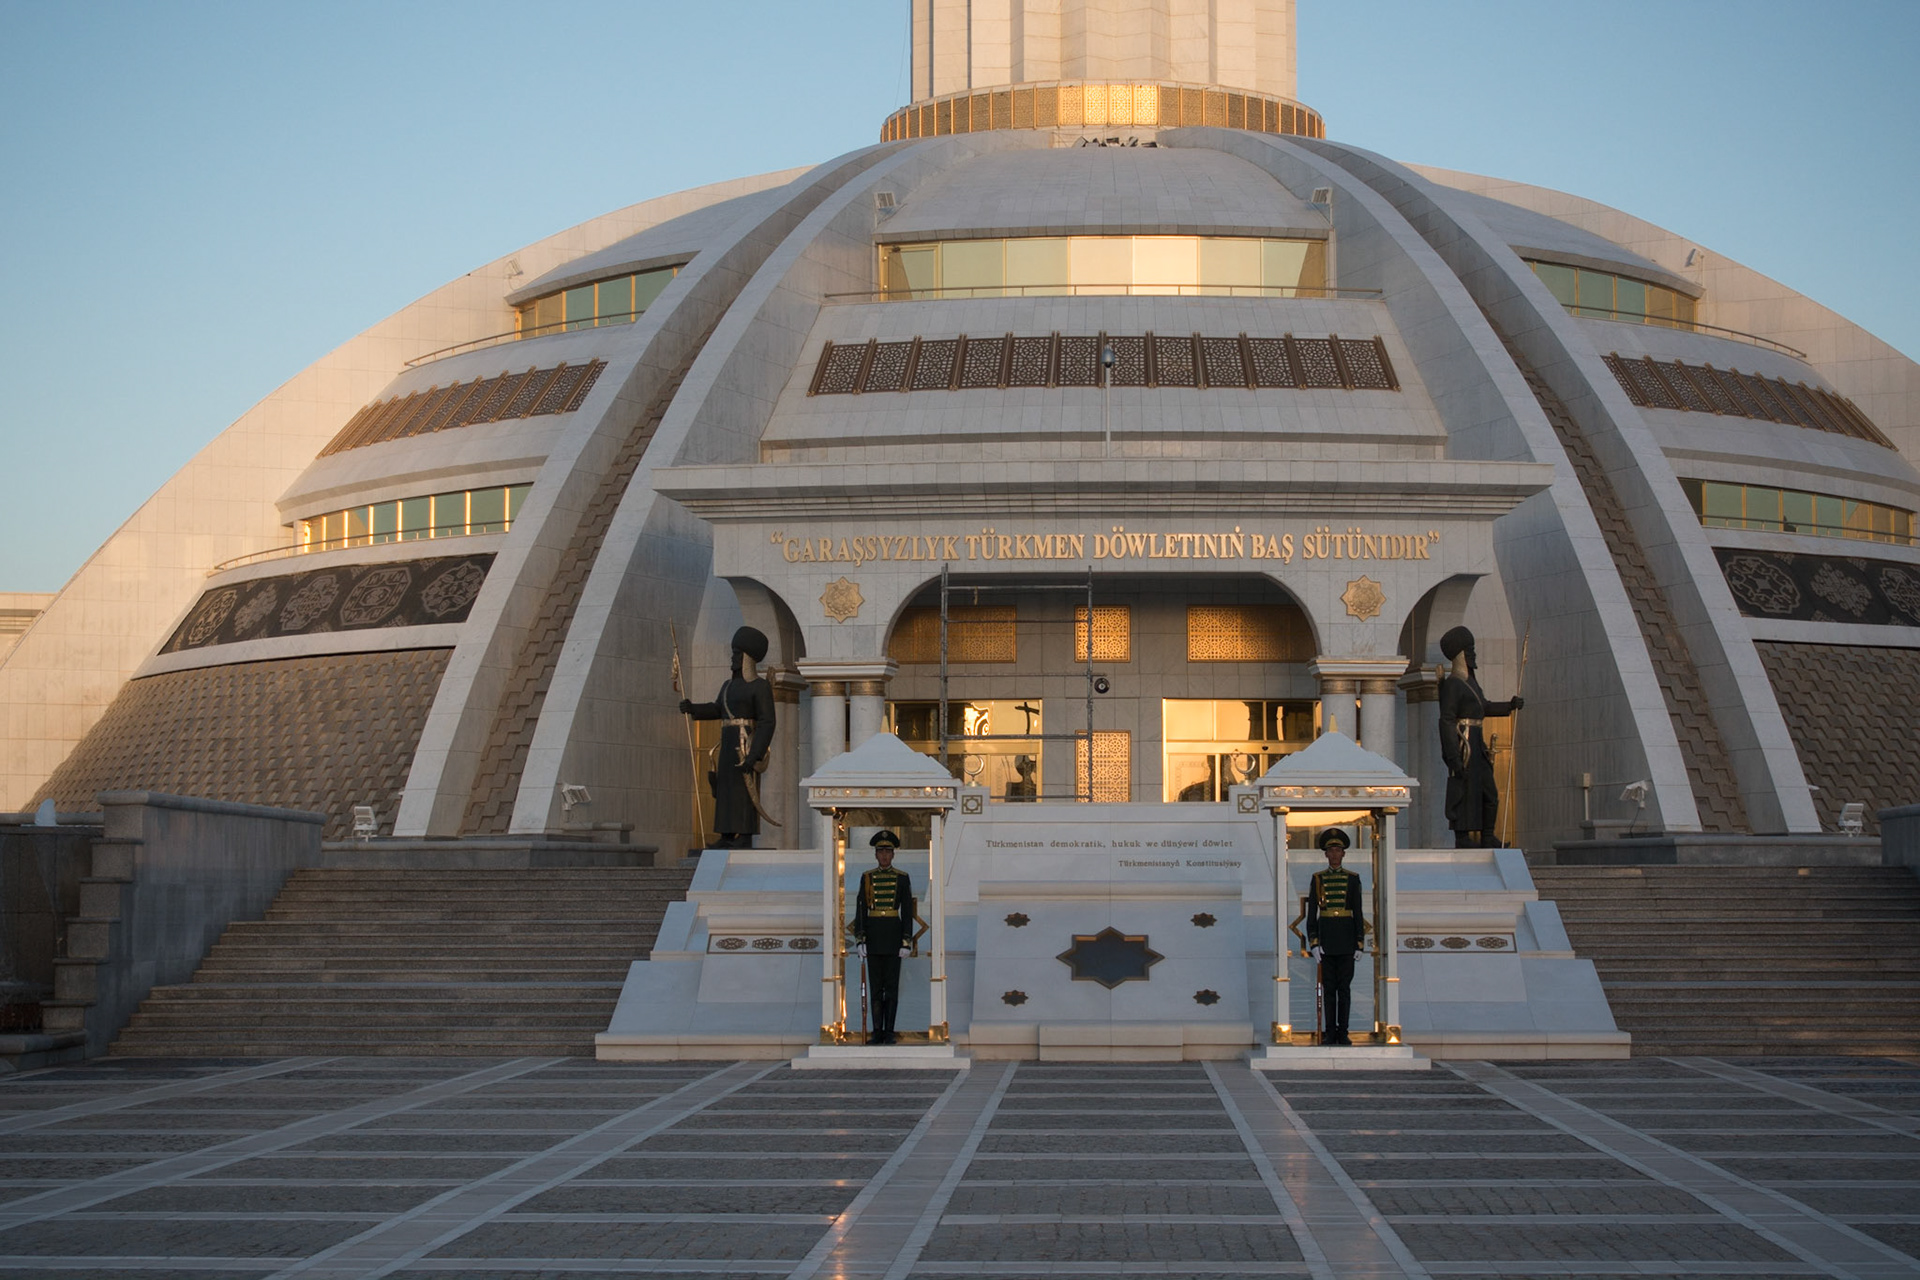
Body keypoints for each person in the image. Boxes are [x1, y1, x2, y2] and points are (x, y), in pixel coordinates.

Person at [679, 626, 776, 849]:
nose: (733, 658)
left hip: (745, 743)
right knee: (725, 788)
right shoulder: (728, 686)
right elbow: (716, 709)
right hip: (728, 741)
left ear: (748, 658)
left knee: (743, 788)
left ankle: (744, 834)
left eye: (737, 654)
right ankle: (726, 833)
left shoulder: (760, 687)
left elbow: (767, 722)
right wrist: (693, 708)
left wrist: (755, 754)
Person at [1436, 625, 1524, 848]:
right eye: (1469, 650)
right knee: (1463, 790)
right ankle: (1463, 837)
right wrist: (1453, 755)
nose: (1473, 654)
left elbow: (1483, 707)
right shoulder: (1453, 685)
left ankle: (1487, 836)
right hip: (1464, 742)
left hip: (1477, 741)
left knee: (1489, 792)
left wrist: (1510, 706)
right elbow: (1446, 720)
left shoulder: (1471, 682)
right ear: (1460, 655)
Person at [852, 829, 915, 1045]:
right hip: (874, 935)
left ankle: (890, 1031)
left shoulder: (902, 878)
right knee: (875, 989)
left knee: (892, 989)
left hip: (893, 936)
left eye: (888, 851)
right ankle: (876, 1031)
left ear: (893, 854)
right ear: (876, 854)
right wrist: (860, 939)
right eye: (881, 852)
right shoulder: (867, 877)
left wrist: (907, 941)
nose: (885, 856)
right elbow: (860, 909)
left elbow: (907, 913)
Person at [1305, 827, 1366, 1046]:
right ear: (1326, 854)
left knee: (1345, 990)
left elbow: (1358, 912)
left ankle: (1343, 1031)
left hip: (1347, 941)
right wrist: (1313, 942)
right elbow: (1312, 914)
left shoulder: (1352, 879)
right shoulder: (1318, 879)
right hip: (1327, 941)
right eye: (1331, 850)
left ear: (1343, 853)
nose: (1334, 854)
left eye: (1338, 850)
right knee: (1328, 990)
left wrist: (1359, 943)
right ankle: (1330, 1032)